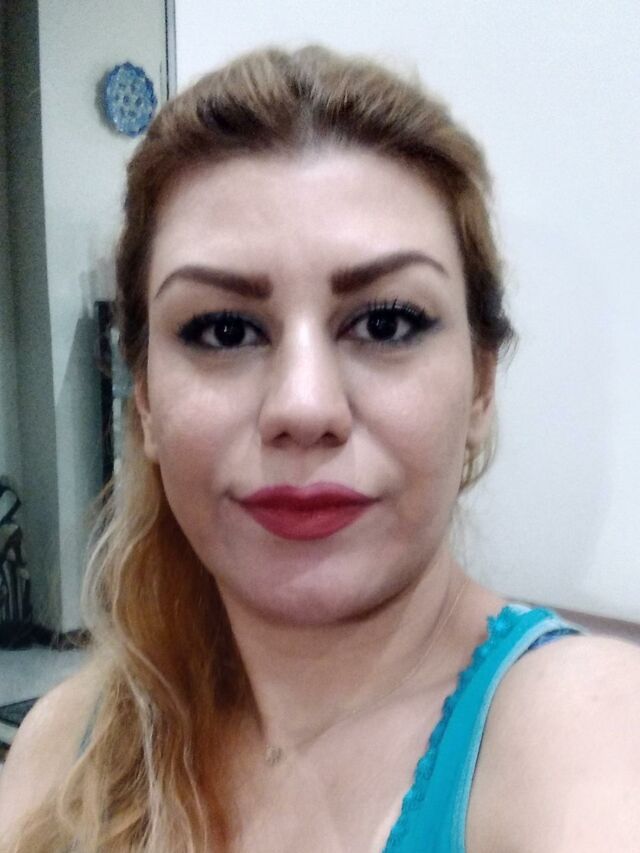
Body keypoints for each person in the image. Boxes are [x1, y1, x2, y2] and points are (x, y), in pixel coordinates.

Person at [1, 44, 639, 853]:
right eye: (223, 330)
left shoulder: (587, 735)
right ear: (148, 399)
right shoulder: (64, 750)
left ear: (481, 384)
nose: (303, 407)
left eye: (386, 322)